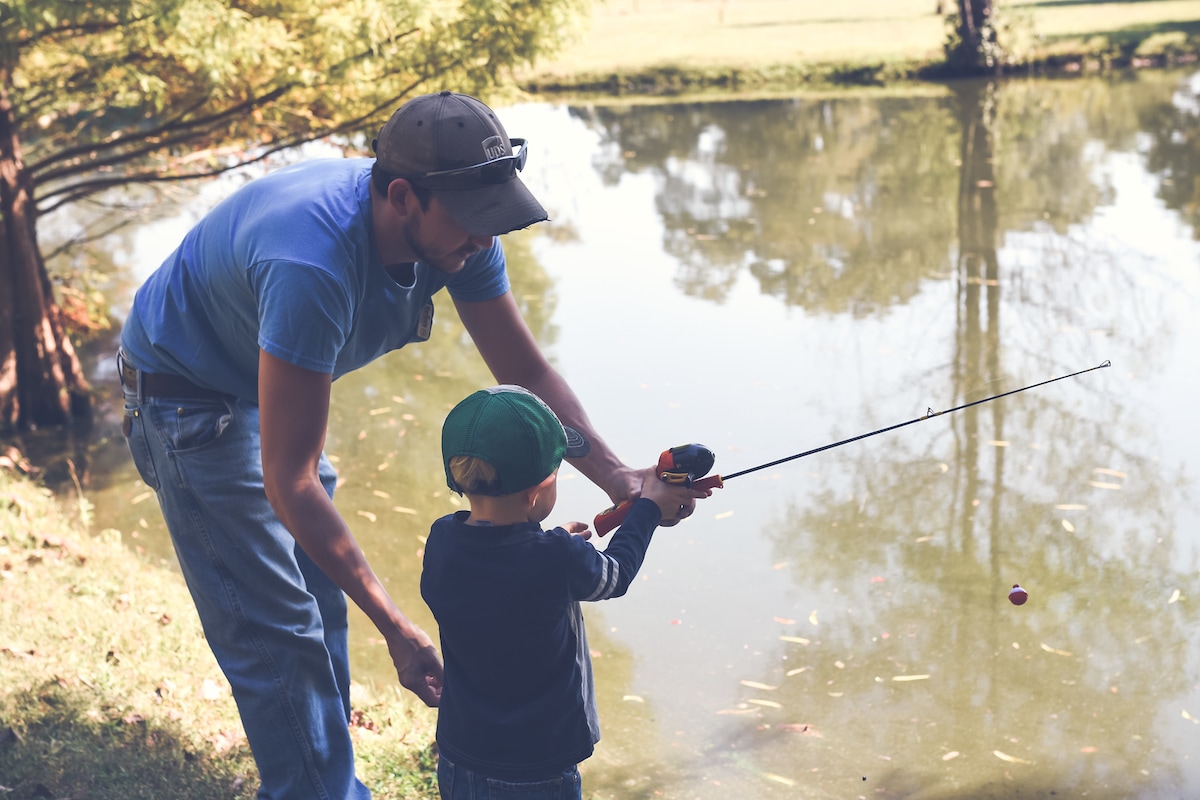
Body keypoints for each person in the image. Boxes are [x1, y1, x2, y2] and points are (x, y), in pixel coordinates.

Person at [116, 90, 702, 800]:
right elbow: (290, 479)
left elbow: (524, 372)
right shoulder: (312, 266)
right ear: (402, 197)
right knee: (278, 636)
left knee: (320, 603)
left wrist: (619, 481)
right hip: (190, 399)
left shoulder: (458, 233)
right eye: (473, 223)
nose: (485, 241)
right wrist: (396, 628)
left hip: (259, 372)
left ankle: (326, 780)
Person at [421, 385, 710, 799]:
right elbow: (616, 574)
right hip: (537, 769)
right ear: (538, 490)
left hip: (459, 757)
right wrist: (647, 509)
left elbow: (500, 574)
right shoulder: (556, 558)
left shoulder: (443, 540)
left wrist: (554, 547)